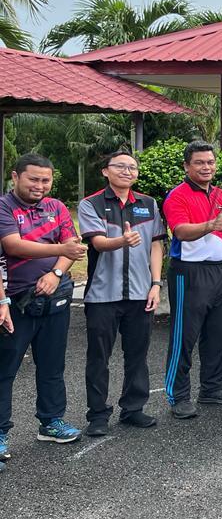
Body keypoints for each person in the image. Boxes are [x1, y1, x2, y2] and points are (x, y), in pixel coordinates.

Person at [0, 154, 87, 453]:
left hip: (56, 297)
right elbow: (12, 244)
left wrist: (56, 272)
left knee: (52, 365)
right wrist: (62, 248)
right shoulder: (4, 207)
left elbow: (72, 248)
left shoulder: (57, 207)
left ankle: (51, 422)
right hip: (15, 302)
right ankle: (0, 433)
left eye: (45, 180)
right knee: (5, 368)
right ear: (15, 177)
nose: (39, 185)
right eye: (33, 179)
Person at [77, 152, 165, 436]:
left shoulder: (148, 204)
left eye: (132, 167)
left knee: (137, 354)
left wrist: (155, 284)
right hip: (103, 294)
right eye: (120, 166)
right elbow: (99, 243)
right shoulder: (91, 204)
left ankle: (133, 408)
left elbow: (156, 246)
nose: (127, 171)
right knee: (99, 357)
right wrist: (122, 240)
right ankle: (98, 415)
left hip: (141, 292)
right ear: (105, 171)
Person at [162, 141, 222, 419]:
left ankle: (211, 387)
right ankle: (178, 395)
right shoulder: (177, 196)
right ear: (187, 166)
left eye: (210, 162)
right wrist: (210, 225)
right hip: (189, 273)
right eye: (199, 162)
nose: (206, 167)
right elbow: (181, 231)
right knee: (184, 337)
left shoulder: (221, 195)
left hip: (219, 272)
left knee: (216, 334)